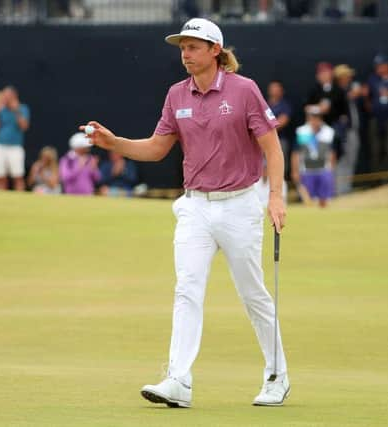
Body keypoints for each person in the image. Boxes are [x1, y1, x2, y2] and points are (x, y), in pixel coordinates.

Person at [81, 18, 289, 407]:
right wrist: (114, 143)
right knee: (186, 290)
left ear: (215, 50)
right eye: (182, 47)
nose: (185, 54)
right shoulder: (177, 95)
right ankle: (179, 379)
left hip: (241, 204)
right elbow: (157, 148)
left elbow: (272, 149)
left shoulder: (244, 91)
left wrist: (275, 196)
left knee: (252, 295)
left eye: (193, 47)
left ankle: (277, 375)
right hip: (195, 207)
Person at [291, 105, 337, 207]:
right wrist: (295, 171)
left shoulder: (328, 132)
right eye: (313, 116)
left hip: (324, 170)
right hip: (307, 171)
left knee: (325, 201)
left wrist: (332, 171)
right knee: (308, 202)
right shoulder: (301, 132)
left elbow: (332, 152)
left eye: (317, 117)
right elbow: (296, 153)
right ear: (308, 117)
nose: (315, 119)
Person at [365, 54, 388, 173]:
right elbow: (367, 98)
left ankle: (387, 179)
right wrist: (369, 104)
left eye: (381, 65)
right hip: (376, 119)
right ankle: (376, 179)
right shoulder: (372, 79)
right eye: (377, 66)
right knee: (375, 150)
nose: (379, 68)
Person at [0, 86, 30, 192]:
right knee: (0, 176)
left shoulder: (23, 108)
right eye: (4, 95)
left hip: (15, 147)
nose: (5, 98)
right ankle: (0, 200)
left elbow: (24, 126)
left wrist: (16, 111)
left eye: (8, 96)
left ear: (14, 96)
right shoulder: (1, 109)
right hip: (0, 146)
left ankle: (20, 200)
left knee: (18, 176)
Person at [334, 64, 362, 194]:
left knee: (351, 159)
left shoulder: (349, 90)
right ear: (341, 77)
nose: (350, 77)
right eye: (347, 75)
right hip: (343, 133)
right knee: (343, 159)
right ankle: (341, 190)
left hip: (352, 130)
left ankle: (346, 188)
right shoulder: (338, 92)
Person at [266, 81, 292, 171]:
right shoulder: (264, 104)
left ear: (282, 91)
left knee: (279, 167)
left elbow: (281, 123)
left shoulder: (285, 106)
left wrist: (263, 129)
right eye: (273, 89)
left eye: (277, 89)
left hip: (280, 140)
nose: (274, 91)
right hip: (263, 141)